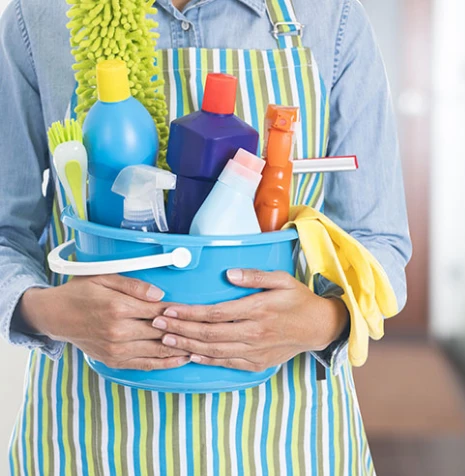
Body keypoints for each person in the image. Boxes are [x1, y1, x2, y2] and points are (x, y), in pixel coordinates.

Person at [0, 0, 411, 474]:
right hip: (87, 436)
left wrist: (319, 321)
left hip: (283, 438)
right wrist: (48, 311)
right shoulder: (42, 15)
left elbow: (380, 241)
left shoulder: (331, 16)